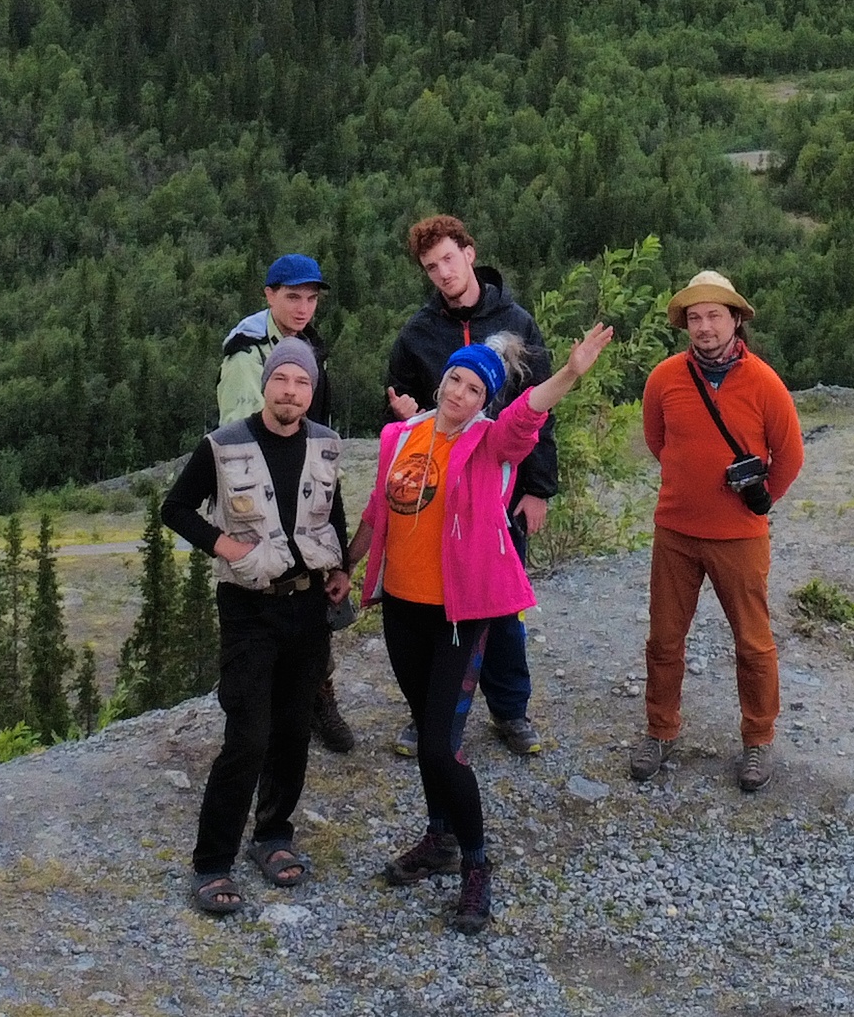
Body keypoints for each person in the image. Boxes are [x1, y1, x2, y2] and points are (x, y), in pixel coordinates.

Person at [354, 319, 618, 936]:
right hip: (401, 606)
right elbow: (378, 511)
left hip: (459, 613)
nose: (459, 394)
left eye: (474, 388)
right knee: (426, 732)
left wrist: (571, 374)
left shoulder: (492, 443)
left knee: (443, 745)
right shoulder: (401, 435)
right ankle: (437, 839)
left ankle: (475, 866)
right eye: (454, 379)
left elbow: (529, 414)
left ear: (484, 400)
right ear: (442, 379)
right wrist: (347, 567)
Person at [160, 337, 350, 917]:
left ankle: (273, 835)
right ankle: (212, 863)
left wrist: (339, 568)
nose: (290, 391)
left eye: (301, 383)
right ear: (266, 383)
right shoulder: (222, 446)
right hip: (248, 605)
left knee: (293, 729)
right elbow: (175, 509)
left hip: (308, 605)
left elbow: (331, 511)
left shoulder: (326, 444)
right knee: (247, 736)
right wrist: (224, 546)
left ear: (311, 391)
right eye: (282, 380)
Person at [381, 214, 560, 754]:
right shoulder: (417, 334)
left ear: (469, 252)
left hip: (501, 496)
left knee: (500, 606)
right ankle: (428, 712)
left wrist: (538, 489)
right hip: (436, 497)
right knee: (431, 610)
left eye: (448, 260)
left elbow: (542, 412)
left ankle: (510, 711)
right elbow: (393, 414)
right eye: (430, 267)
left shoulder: (517, 322)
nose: (442, 273)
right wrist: (404, 413)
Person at [626, 268, 806, 792]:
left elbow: (790, 456)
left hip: (740, 536)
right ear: (686, 324)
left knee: (753, 644)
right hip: (675, 532)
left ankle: (758, 739)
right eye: (695, 317)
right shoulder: (663, 378)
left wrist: (760, 501)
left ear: (735, 320)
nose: (704, 327)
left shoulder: (765, 382)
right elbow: (658, 442)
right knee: (663, 639)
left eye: (714, 316)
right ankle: (660, 730)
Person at [215, 252, 356, 753]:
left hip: (306, 480)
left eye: (311, 298)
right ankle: (262, 712)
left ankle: (314, 695)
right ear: (269, 294)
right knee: (265, 599)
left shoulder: (305, 343)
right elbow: (235, 437)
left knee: (311, 597)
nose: (303, 307)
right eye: (293, 296)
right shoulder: (247, 350)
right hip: (260, 495)